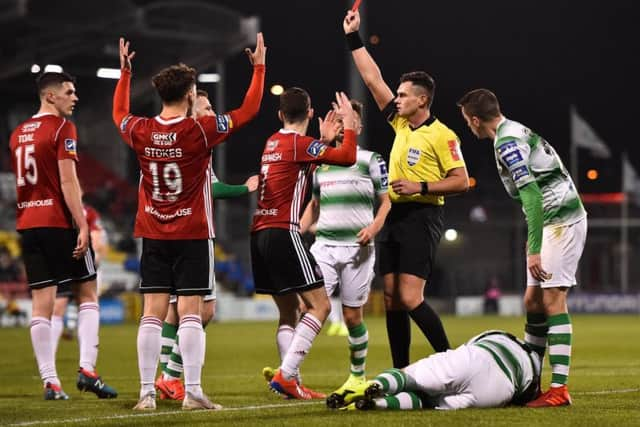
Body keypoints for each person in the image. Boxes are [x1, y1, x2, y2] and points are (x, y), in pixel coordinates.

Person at [112, 34, 265, 410]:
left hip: (152, 232)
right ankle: (193, 391)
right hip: (193, 232)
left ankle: (146, 393)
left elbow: (118, 114)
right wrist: (259, 67)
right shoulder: (200, 130)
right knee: (191, 314)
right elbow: (249, 109)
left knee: (151, 314)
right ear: (189, 94)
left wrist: (125, 74)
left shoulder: (141, 130)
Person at [342, 10, 469, 368]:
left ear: (422, 100)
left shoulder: (442, 134)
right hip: (394, 215)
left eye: (403, 95)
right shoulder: (401, 124)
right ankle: (401, 372)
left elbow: (460, 180)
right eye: (396, 94)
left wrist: (419, 186)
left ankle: (452, 363)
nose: (396, 99)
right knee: (394, 298)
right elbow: (372, 79)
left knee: (412, 297)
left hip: (422, 215)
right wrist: (353, 38)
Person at [457, 88, 587, 407]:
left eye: (466, 122)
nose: (468, 128)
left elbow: (531, 195)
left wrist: (534, 249)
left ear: (475, 119)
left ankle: (559, 389)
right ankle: (532, 382)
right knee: (533, 301)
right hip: (551, 219)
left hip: (561, 219)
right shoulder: (512, 130)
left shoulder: (507, 142)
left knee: (553, 299)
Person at [9, 71, 117, 400]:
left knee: (41, 306)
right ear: (50, 96)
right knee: (87, 294)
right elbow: (68, 181)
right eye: (69, 92)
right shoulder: (61, 128)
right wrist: (82, 223)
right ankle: (87, 370)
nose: (75, 97)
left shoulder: (17, 134)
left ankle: (50, 383)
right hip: (59, 222)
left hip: (28, 224)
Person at [250, 87, 357, 400]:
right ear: (311, 114)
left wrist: (321, 142)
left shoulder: (273, 141)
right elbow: (347, 156)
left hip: (259, 234)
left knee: (290, 311)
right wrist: (348, 123)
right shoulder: (301, 144)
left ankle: (290, 383)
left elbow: (297, 168)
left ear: (280, 115)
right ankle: (287, 375)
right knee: (320, 305)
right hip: (283, 231)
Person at [155, 89, 259, 401]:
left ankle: (164, 379)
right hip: (194, 234)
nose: (213, 111)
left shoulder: (168, 139)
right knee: (205, 310)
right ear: (191, 109)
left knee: (173, 312)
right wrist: (245, 187)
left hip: (164, 234)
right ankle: (172, 377)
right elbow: (213, 188)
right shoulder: (198, 140)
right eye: (207, 106)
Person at [299, 99, 391, 408]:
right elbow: (314, 204)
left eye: (345, 120)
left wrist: (374, 228)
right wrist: (297, 230)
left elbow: (386, 200)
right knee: (309, 306)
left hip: (358, 249)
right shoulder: (321, 162)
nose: (339, 124)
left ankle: (357, 376)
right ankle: (290, 375)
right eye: (336, 119)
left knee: (353, 316)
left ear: (358, 126)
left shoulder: (370, 160)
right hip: (323, 245)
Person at [336, 330, 541, 411]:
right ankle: (377, 404)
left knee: (410, 377)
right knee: (427, 402)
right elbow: (527, 395)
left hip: (478, 355)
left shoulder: (493, 336)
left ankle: (376, 385)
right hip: (500, 388)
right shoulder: (533, 368)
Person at [52, 202, 109, 352]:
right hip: (81, 254)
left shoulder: (58, 207)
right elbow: (96, 235)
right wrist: (96, 255)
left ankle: (71, 333)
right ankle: (85, 345)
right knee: (87, 300)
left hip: (61, 255)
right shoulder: (88, 212)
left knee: (66, 299)